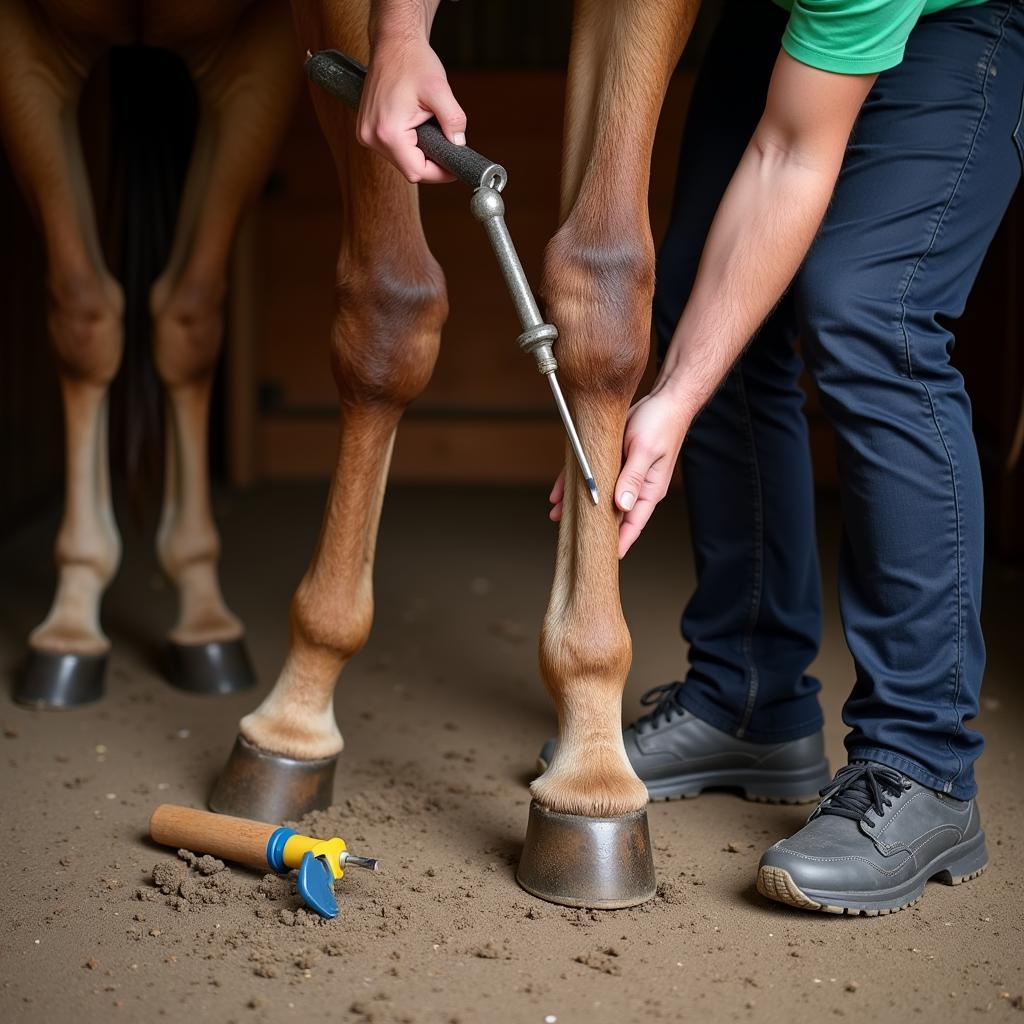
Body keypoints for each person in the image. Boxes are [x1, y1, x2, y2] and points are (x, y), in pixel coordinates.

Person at [358, 0, 1023, 914]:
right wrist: (399, 36)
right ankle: (749, 700)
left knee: (872, 311)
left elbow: (790, 155)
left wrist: (672, 403)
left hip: (953, 22)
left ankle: (925, 765)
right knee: (690, 305)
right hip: (780, 18)